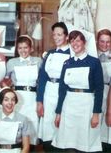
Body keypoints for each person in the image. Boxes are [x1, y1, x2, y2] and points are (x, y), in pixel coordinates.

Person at [51, 30, 104, 152]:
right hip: (69, 106)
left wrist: (96, 114)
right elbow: (62, 90)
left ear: (84, 42)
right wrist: (58, 112)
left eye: (78, 40)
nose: (75, 43)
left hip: (86, 107)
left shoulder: (94, 62)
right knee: (69, 144)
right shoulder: (67, 63)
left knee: (84, 143)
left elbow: (99, 90)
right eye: (72, 41)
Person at [36, 22, 71, 152]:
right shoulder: (49, 54)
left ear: (67, 36)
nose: (56, 37)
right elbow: (42, 78)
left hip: (65, 93)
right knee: (48, 128)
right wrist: (39, 101)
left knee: (62, 125)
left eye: (59, 34)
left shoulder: (72, 54)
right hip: (48, 93)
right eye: (54, 35)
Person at [4, 35, 42, 148]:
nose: (23, 50)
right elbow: (5, 80)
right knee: (17, 126)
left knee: (32, 126)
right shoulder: (11, 62)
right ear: (17, 49)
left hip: (33, 98)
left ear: (31, 48)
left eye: (25, 47)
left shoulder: (38, 61)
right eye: (20, 48)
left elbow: (42, 81)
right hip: (18, 99)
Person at [0, 87, 30, 153]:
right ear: (1, 101)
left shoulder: (23, 120)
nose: (10, 103)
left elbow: (26, 147)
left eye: (13, 100)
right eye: (6, 100)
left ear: (15, 102)